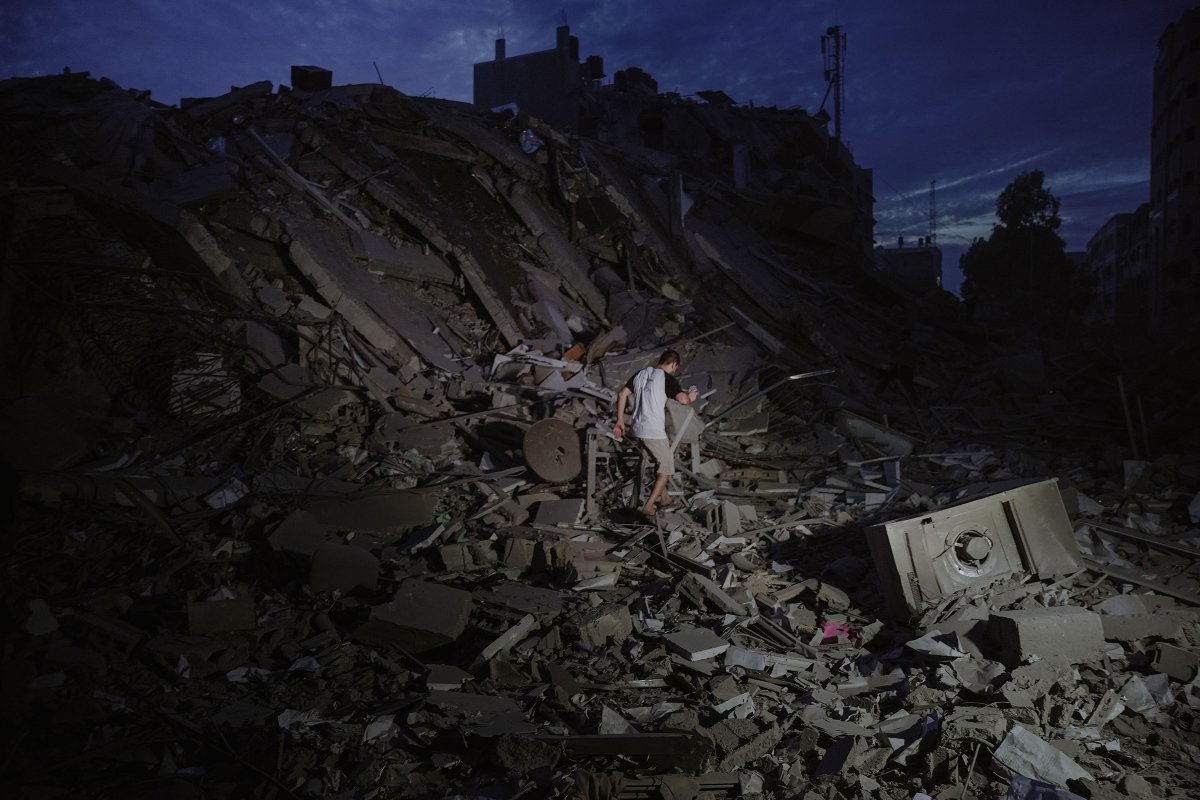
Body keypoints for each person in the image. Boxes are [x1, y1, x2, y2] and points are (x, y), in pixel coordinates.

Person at [613, 349, 700, 518]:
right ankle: (649, 505)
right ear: (674, 365)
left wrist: (620, 420)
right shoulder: (667, 378)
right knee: (666, 469)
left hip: (637, 428)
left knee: (661, 459)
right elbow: (683, 401)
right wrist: (691, 397)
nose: (675, 370)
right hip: (652, 430)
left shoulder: (642, 373)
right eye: (675, 368)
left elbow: (622, 394)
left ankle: (665, 497)